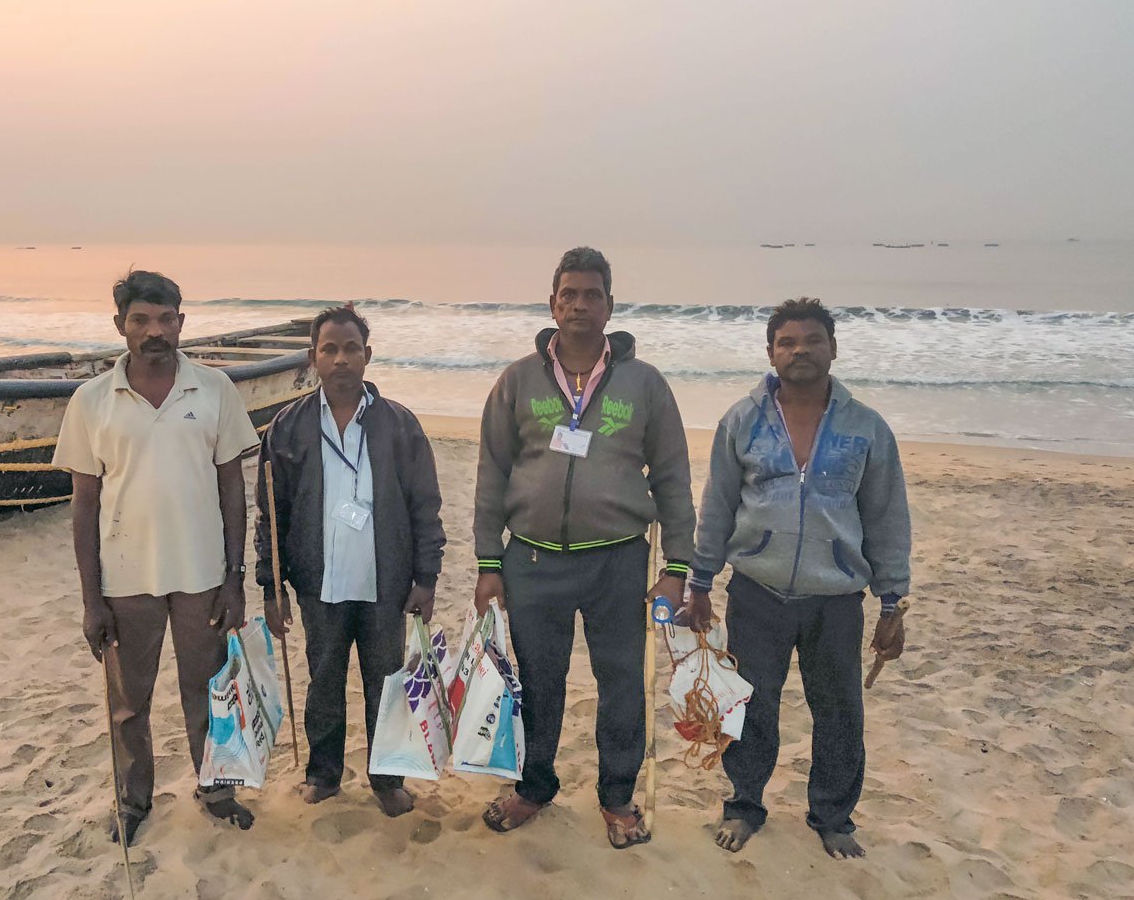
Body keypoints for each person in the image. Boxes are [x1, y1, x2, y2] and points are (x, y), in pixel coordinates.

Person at [472, 247, 695, 849]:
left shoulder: (644, 384)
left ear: (610, 306)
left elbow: (673, 477)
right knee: (538, 682)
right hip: (532, 561)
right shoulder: (518, 380)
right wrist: (488, 562)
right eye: (568, 294)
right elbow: (492, 472)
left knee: (622, 681)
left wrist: (677, 568)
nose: (579, 304)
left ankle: (618, 798)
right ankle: (534, 787)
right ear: (552, 304)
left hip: (619, 562)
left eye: (591, 294)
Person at [686, 297, 910, 860]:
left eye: (812, 340)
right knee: (751, 705)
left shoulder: (866, 428)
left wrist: (892, 603)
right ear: (770, 352)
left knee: (837, 710)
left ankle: (833, 816)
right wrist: (700, 581)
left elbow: (886, 515)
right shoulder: (742, 419)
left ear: (833, 348)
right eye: (787, 342)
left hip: (835, 598)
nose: (800, 350)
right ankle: (744, 805)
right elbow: (717, 506)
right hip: (756, 591)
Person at [53, 269, 261, 846]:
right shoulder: (92, 400)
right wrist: (91, 600)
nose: (155, 331)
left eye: (166, 319)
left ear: (181, 323)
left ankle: (216, 790)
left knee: (208, 691)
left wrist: (235, 577)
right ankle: (132, 799)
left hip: (202, 577)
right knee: (128, 704)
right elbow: (84, 505)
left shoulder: (214, 388)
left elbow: (232, 490)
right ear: (120, 325)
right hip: (126, 580)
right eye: (141, 320)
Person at [256, 305, 446, 817]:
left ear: (368, 355)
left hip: (386, 584)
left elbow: (425, 506)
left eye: (351, 349)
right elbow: (270, 518)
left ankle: (387, 780)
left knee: (385, 684)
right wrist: (271, 588)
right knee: (323, 681)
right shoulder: (287, 428)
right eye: (329, 349)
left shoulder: (400, 426)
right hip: (319, 585)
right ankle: (323, 774)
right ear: (313, 358)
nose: (341, 359)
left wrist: (426, 577)